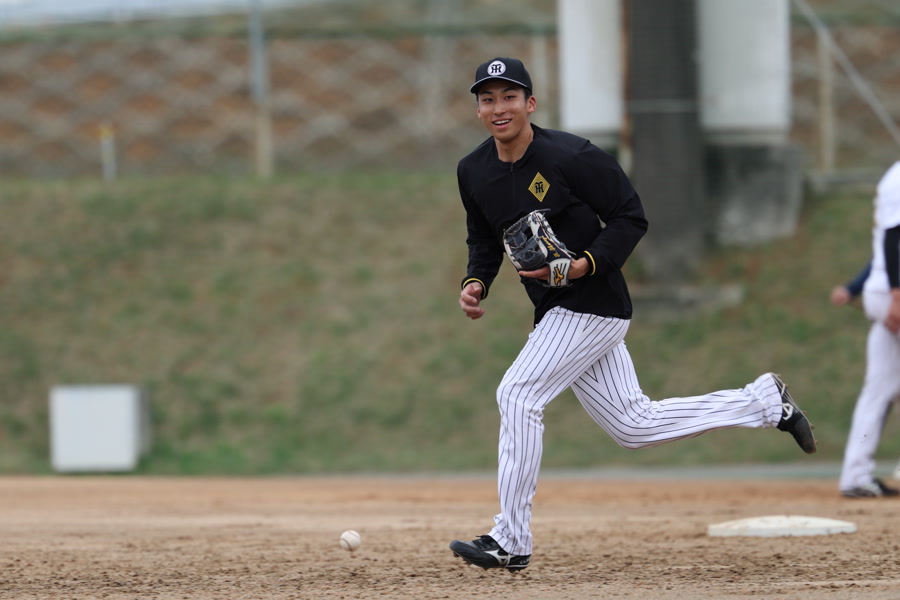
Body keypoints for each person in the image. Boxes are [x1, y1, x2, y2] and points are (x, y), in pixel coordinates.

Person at [448, 57, 817, 572]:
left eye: (509, 96)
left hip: (593, 302)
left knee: (518, 394)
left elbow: (629, 216)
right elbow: (483, 239)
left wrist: (585, 264)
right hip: (555, 310)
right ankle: (763, 402)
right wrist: (475, 282)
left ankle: (510, 539)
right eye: (487, 99)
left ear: (530, 103)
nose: (498, 107)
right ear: (479, 110)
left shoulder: (572, 156)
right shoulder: (473, 170)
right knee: (634, 425)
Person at [833, 162, 900, 499]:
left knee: (879, 389)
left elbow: (883, 252)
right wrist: (896, 296)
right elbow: (893, 238)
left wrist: (853, 287)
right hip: (892, 293)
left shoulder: (893, 176)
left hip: (882, 290)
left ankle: (856, 476)